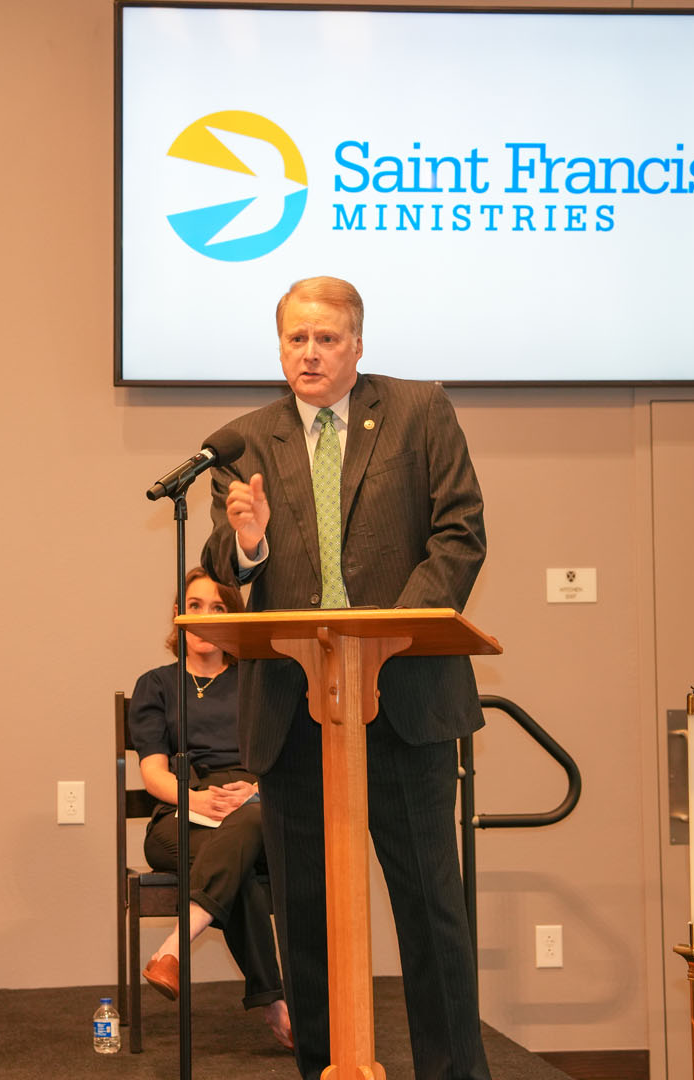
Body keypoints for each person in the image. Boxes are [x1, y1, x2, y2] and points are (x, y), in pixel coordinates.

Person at [201, 276, 490, 1080]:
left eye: (327, 338)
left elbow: (460, 534)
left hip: (404, 703)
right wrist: (249, 543)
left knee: (432, 912)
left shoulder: (418, 409)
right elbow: (222, 569)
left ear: (358, 345)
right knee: (307, 918)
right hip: (294, 714)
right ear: (280, 346)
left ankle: (453, 1074)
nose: (311, 352)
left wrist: (390, 636)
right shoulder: (246, 440)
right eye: (297, 338)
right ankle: (327, 1068)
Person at [128, 567, 291, 1049]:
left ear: (233, 619)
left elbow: (283, 758)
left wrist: (257, 790)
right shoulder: (156, 685)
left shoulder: (256, 681)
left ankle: (176, 948)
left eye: (218, 607)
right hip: (182, 812)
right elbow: (153, 772)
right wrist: (195, 798)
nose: (204, 616)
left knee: (250, 825)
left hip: (252, 808)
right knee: (232, 863)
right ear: (177, 616)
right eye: (194, 605)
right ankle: (277, 1005)